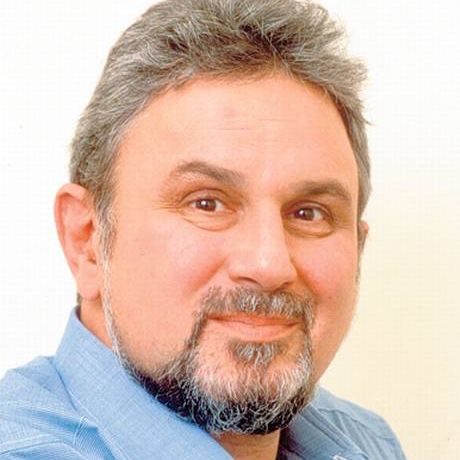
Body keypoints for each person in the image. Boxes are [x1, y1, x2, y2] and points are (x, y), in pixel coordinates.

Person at [0, 0, 407, 459]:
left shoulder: (369, 443)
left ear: (358, 248)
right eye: (207, 203)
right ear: (87, 240)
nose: (269, 264)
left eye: (309, 213)